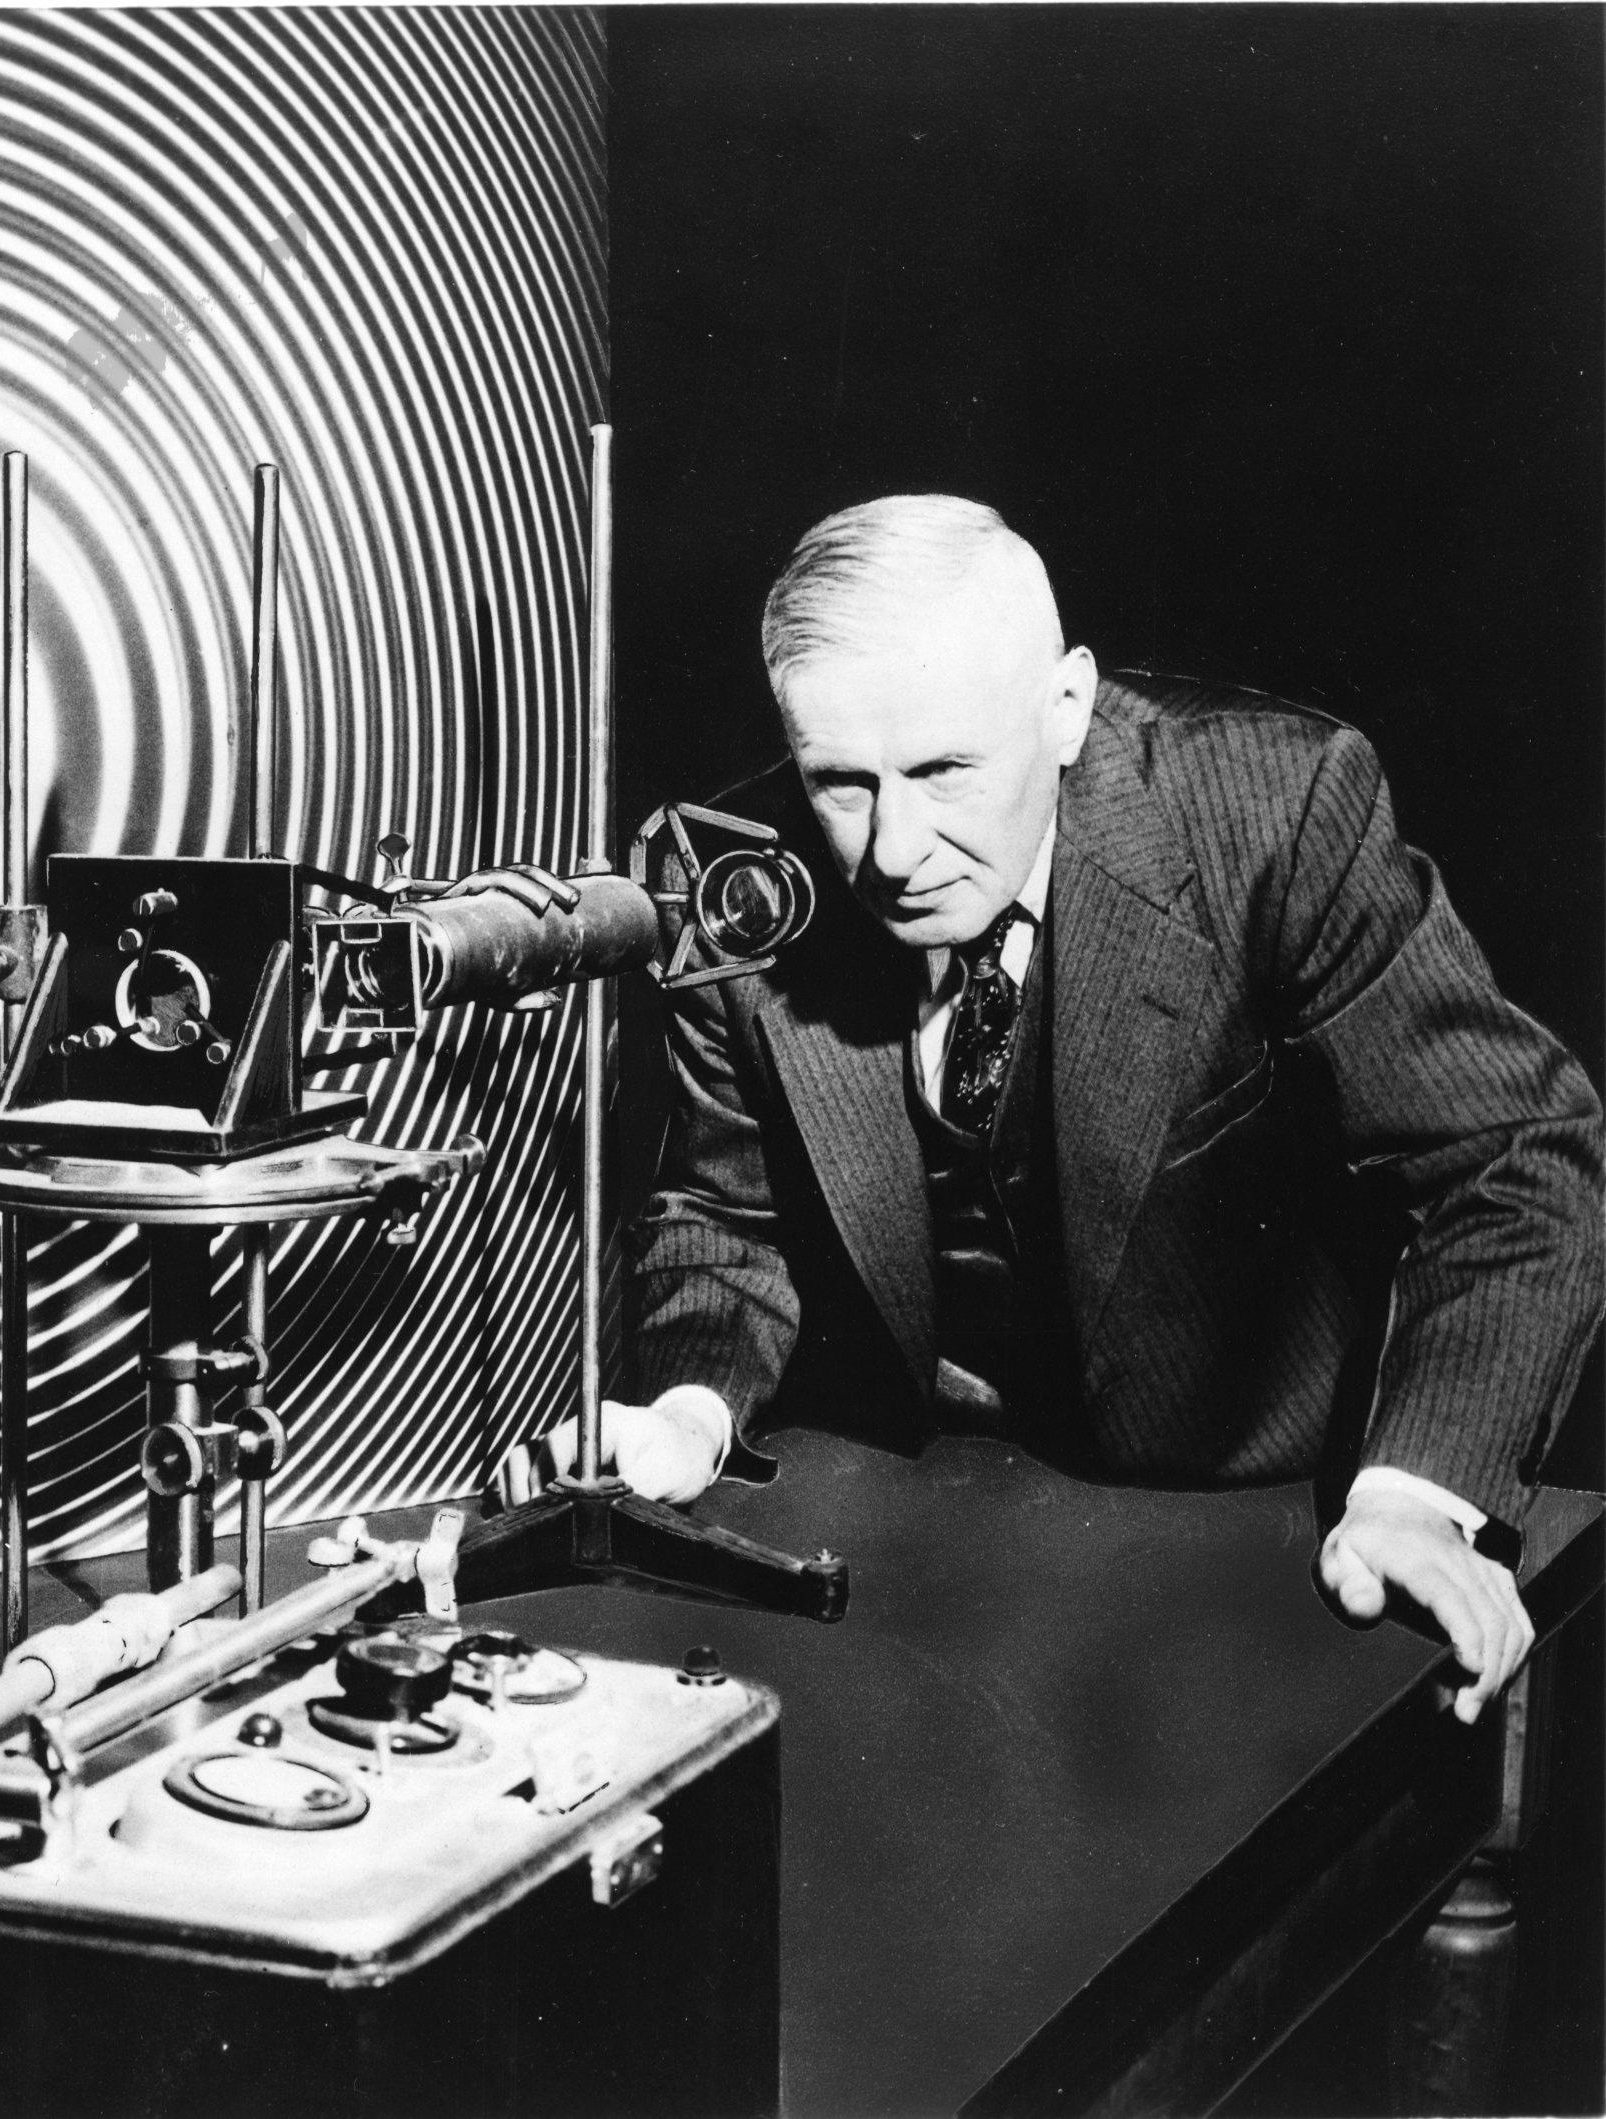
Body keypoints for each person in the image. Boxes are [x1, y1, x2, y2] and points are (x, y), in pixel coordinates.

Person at [504, 495, 1603, 1722]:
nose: (896, 850)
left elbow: (1514, 1154)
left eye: (943, 772)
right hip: (911, 1513)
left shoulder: (1275, 810)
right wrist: (688, 1413)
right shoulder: (724, 878)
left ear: (1068, 706)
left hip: (1244, 1506)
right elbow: (722, 1210)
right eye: (841, 783)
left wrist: (1415, 1493)